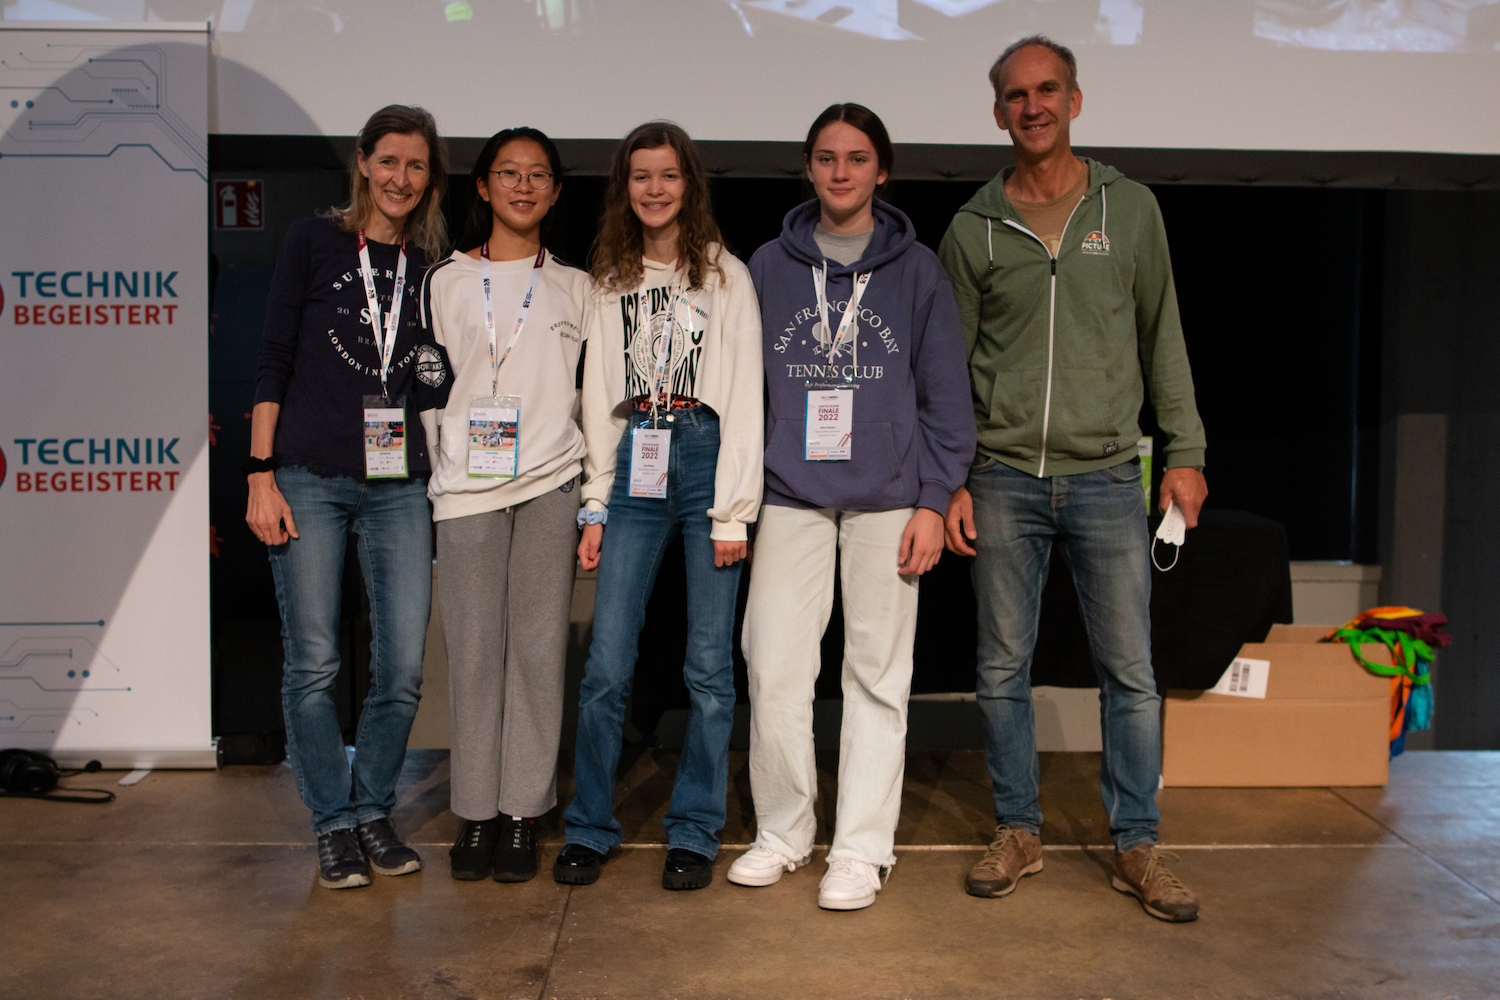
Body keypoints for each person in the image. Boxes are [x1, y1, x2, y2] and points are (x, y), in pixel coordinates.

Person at [937, 36, 1208, 922]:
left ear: (1075, 101)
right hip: (1003, 476)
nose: (1033, 106)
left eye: (1048, 89)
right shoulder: (973, 228)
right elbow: (949, 370)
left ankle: (1138, 844)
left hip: (1106, 477)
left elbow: (1163, 334)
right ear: (998, 113)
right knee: (1000, 669)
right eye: (1017, 95)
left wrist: (1186, 452)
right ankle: (1018, 829)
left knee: (1129, 672)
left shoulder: (1129, 210)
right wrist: (952, 478)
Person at [732, 104, 975, 911]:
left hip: (889, 501)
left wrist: (934, 500)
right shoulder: (768, 265)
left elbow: (946, 398)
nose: (842, 172)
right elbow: (744, 388)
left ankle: (862, 850)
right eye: (828, 158)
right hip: (792, 494)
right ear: (808, 167)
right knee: (773, 665)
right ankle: (784, 832)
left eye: (858, 158)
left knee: (876, 676)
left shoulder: (917, 270)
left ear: (882, 171)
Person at [554, 121, 763, 892]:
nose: (654, 189)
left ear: (689, 184)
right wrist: (595, 503)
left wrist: (733, 511)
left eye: (668, 175)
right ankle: (590, 825)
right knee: (608, 662)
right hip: (635, 454)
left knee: (707, 665)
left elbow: (747, 397)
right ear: (625, 187)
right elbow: (599, 393)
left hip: (706, 456)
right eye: (640, 176)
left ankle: (696, 829)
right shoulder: (610, 278)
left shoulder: (727, 276)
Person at [246, 105, 449, 889]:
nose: (401, 177)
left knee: (402, 667)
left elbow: (434, 379)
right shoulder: (312, 242)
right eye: (388, 160)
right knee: (315, 664)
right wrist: (259, 473)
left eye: (416, 165)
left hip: (399, 485)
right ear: (363, 162)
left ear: (430, 177)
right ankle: (332, 822)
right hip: (308, 476)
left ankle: (372, 809)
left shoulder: (431, 268)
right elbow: (273, 358)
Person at [415, 128, 588, 884]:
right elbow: (429, 386)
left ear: (555, 192)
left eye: (538, 175)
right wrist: (446, 468)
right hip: (467, 491)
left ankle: (522, 813)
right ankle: (476, 813)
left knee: (540, 652)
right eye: (508, 173)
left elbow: (590, 392)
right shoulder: (445, 280)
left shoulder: (578, 287)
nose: (523, 186)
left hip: (550, 480)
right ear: (482, 186)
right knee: (475, 651)